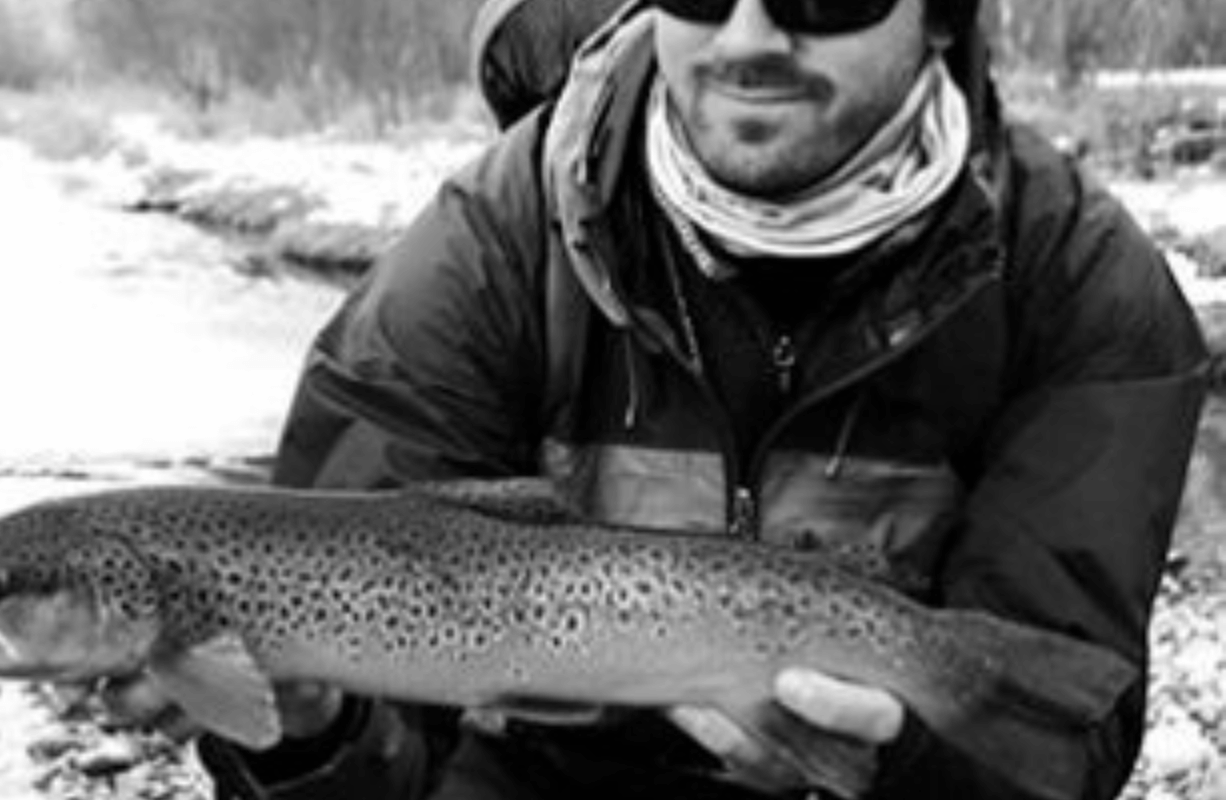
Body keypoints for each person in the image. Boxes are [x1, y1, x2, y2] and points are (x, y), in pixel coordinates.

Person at [93, 0, 1211, 797]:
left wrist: (898, 762)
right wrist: (309, 738)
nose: (746, 35)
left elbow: (1055, 741)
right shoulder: (482, 252)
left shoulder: (1078, 281)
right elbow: (377, 766)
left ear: (937, 17)